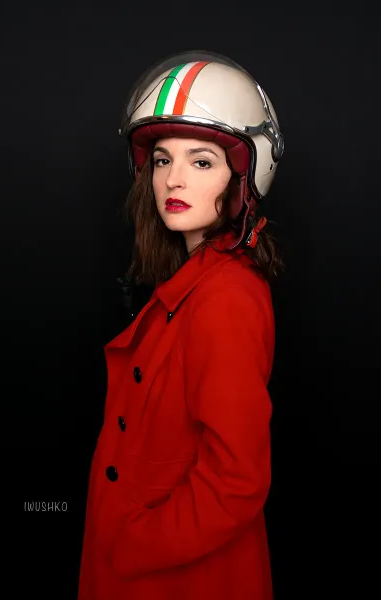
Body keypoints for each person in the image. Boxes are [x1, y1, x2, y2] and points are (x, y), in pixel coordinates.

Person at [78, 50, 285, 600]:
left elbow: (237, 480)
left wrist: (133, 544)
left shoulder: (227, 298)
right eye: (162, 159)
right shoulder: (194, 280)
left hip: (180, 576)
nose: (173, 178)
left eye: (201, 162)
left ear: (243, 176)